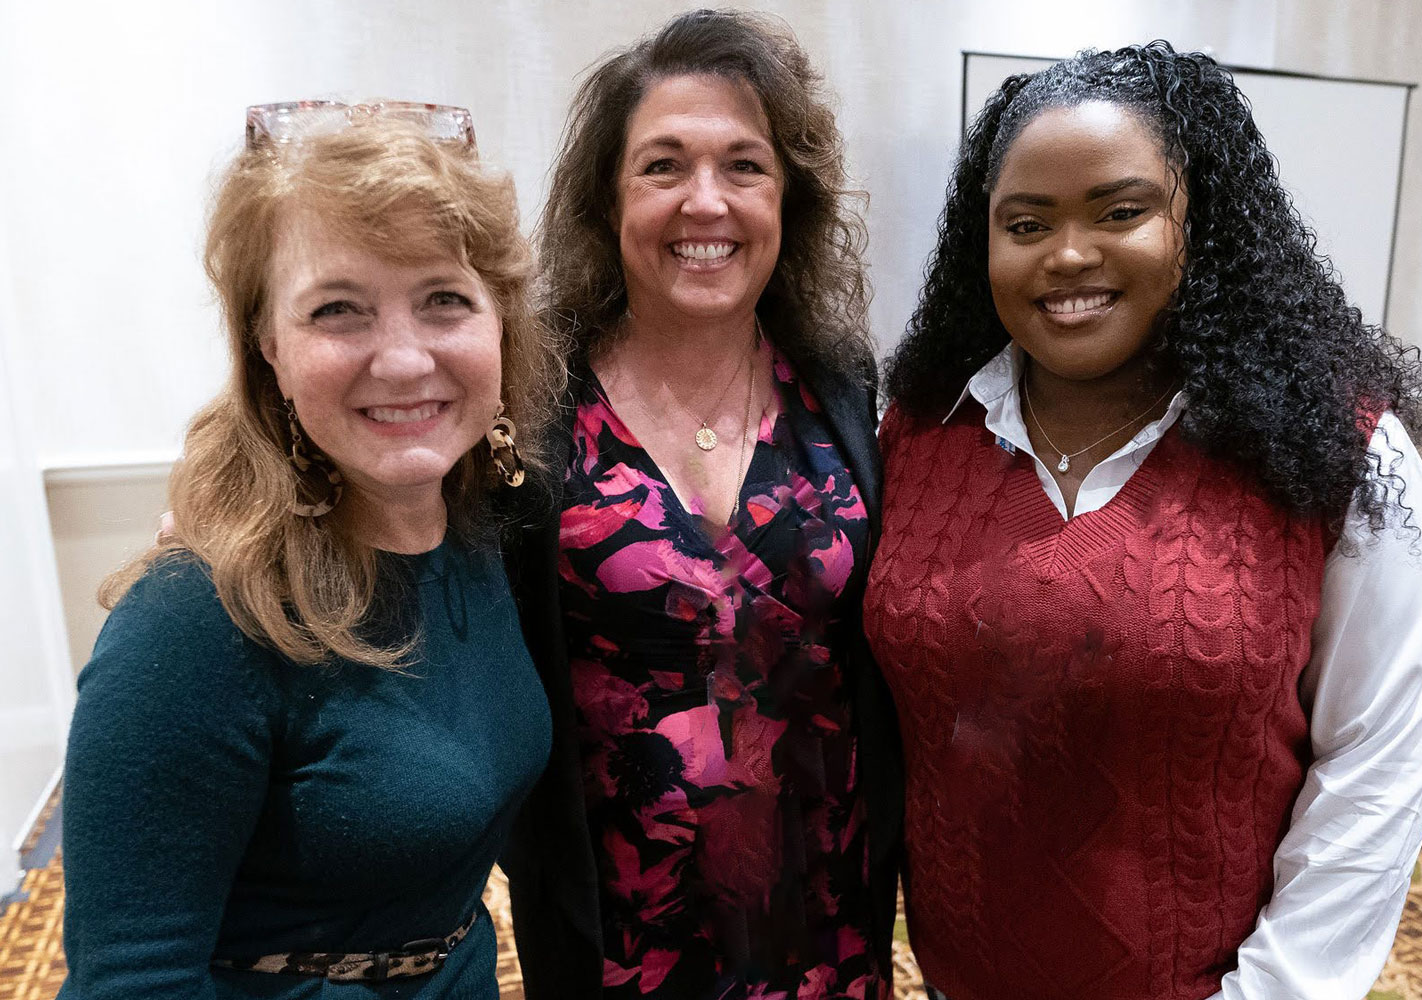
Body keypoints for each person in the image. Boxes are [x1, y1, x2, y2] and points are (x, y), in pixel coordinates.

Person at [865, 43, 1422, 1000]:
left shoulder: (1337, 453)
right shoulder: (923, 433)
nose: (1066, 254)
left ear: (1200, 225)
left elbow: (1376, 774)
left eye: (1121, 211)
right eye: (1025, 223)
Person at [59, 102, 564, 999]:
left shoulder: (490, 531)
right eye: (339, 311)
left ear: (500, 325)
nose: (404, 359)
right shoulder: (197, 617)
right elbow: (132, 980)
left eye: (444, 299)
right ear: (270, 352)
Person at [504, 10, 901, 999]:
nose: (706, 201)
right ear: (607, 198)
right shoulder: (532, 402)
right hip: (622, 936)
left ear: (788, 198)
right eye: (663, 166)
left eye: (744, 166)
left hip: (831, 921)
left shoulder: (842, 388)